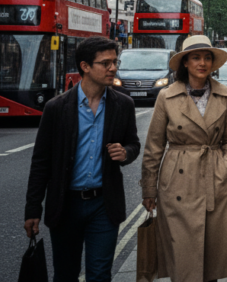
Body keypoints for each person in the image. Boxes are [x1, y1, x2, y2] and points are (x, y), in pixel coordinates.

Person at [24, 37, 140, 282]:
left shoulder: (123, 104)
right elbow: (41, 162)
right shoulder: (57, 108)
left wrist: (126, 152)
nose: (113, 68)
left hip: (103, 204)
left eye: (114, 62)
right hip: (66, 204)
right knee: (65, 274)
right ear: (85, 66)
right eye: (105, 63)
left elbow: (134, 144)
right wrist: (33, 209)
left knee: (99, 275)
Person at [140, 35, 227, 282]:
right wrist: (149, 189)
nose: (202, 63)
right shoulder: (167, 96)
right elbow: (154, 145)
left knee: (211, 260)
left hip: (213, 182)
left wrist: (225, 168)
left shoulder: (225, 96)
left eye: (207, 58)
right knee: (183, 259)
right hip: (177, 182)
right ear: (185, 63)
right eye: (196, 57)